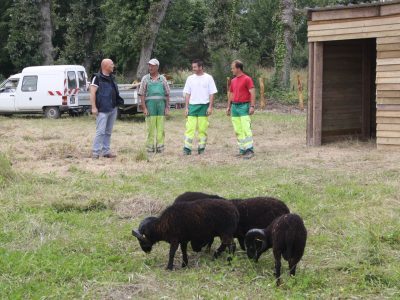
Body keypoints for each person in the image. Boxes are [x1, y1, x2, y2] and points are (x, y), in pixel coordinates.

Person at [183, 59, 217, 155]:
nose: (193, 69)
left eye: (195, 67)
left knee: (202, 129)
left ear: (201, 67)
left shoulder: (208, 78)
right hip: (192, 106)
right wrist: (186, 107)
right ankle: (187, 148)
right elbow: (187, 94)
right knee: (190, 128)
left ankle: (201, 148)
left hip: (204, 106)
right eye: (192, 67)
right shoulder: (190, 78)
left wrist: (210, 107)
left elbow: (212, 93)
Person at [91, 58, 124, 159]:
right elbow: (92, 93)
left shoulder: (112, 77)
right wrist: (94, 107)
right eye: (111, 64)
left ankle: (106, 152)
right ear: (105, 66)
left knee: (108, 132)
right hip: (102, 110)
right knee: (100, 131)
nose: (113, 66)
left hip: (112, 108)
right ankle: (95, 153)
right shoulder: (97, 78)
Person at [138, 58, 170, 153]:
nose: (150, 67)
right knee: (150, 129)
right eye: (149, 65)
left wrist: (167, 108)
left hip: (161, 108)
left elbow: (167, 94)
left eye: (152, 65)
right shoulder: (145, 79)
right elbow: (142, 94)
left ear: (157, 67)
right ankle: (150, 148)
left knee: (161, 129)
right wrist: (144, 108)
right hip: (150, 108)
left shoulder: (163, 79)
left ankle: (160, 148)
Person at [227, 60, 256, 159]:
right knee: (238, 130)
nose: (232, 70)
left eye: (233, 68)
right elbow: (231, 94)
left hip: (244, 106)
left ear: (238, 68)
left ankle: (249, 150)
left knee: (245, 128)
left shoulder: (247, 79)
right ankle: (242, 149)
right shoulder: (233, 80)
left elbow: (252, 92)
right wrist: (229, 106)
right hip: (234, 107)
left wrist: (252, 106)